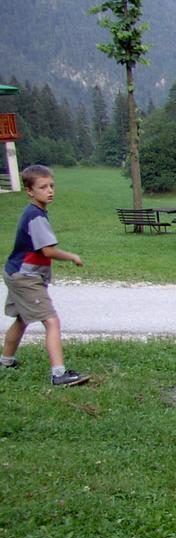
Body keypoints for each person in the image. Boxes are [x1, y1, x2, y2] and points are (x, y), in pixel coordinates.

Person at [2, 164, 89, 386]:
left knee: (22, 319)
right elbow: (47, 250)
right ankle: (58, 375)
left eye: (51, 185)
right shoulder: (36, 217)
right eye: (43, 187)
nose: (49, 190)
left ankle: (6, 362)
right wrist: (71, 256)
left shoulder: (36, 212)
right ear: (30, 191)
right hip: (26, 277)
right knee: (51, 321)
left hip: (15, 272)